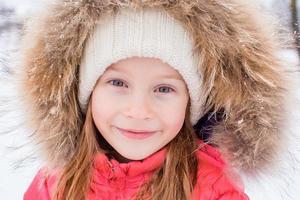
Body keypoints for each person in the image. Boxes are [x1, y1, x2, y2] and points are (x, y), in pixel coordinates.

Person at [19, 0, 286, 200]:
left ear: (191, 104)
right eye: (118, 83)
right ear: (86, 94)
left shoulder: (215, 190)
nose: (139, 111)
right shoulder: (53, 185)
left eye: (164, 89)